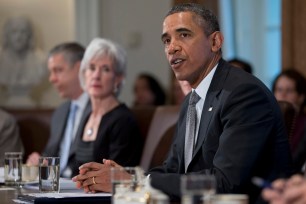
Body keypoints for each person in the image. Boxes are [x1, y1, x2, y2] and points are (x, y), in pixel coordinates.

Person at [72, 3, 292, 203]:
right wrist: (132, 177)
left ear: (215, 41)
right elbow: (173, 169)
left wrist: (135, 182)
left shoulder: (243, 94)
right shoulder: (192, 101)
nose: (172, 48)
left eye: (184, 35)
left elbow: (225, 183)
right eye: (166, 40)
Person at [70, 38, 143, 176]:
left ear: (118, 78)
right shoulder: (87, 116)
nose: (96, 76)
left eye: (105, 69)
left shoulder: (123, 120)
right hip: (81, 193)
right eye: (92, 68)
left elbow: (118, 176)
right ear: (84, 74)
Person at [26, 42, 90, 178]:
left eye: (58, 70)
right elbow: (49, 155)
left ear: (79, 68)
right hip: (55, 187)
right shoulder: (60, 112)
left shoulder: (99, 110)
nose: (52, 79)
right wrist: (39, 161)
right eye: (51, 72)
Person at [0, 16, 46, 107]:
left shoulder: (41, 60)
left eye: (23, 32)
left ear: (29, 36)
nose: (18, 37)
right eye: (14, 32)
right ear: (7, 35)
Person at [272, 69, 306, 173]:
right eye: (279, 89)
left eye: (289, 91)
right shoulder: (266, 121)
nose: (283, 95)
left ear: (301, 97)